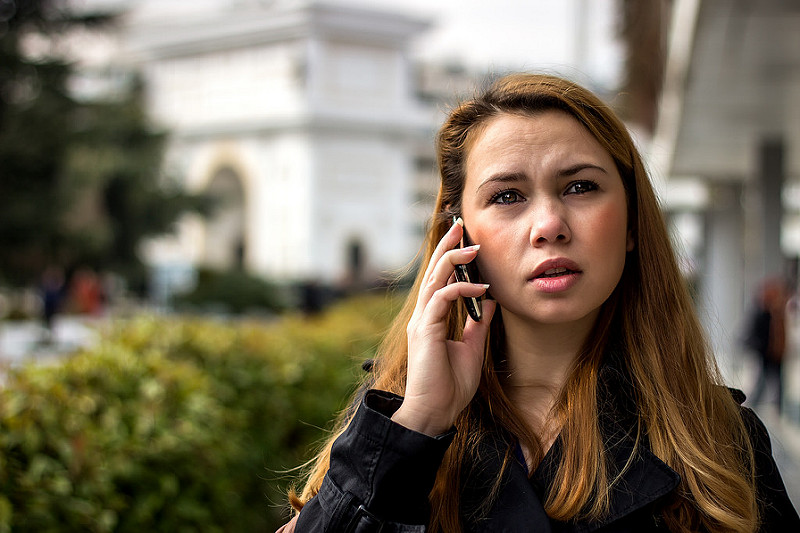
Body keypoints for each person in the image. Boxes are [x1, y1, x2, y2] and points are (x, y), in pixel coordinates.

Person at [278, 73, 799, 532]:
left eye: (580, 186)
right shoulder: (392, 423)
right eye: (507, 196)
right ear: (457, 237)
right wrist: (418, 423)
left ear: (633, 223)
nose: (549, 225)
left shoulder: (717, 442)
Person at [745, 278, 789, 414]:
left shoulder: (776, 313)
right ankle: (753, 403)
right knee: (762, 380)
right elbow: (757, 333)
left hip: (775, 353)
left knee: (774, 381)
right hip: (766, 352)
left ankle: (775, 406)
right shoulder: (762, 313)